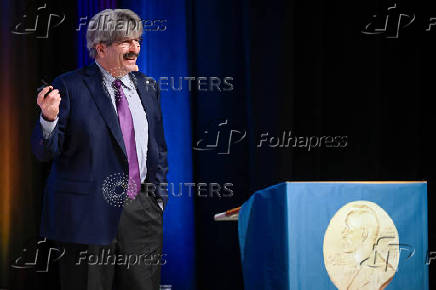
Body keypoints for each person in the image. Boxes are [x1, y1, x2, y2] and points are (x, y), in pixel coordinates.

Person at [31, 8, 168, 290]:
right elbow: (45, 152)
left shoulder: (148, 87)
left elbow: (158, 149)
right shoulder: (69, 86)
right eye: (126, 42)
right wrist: (48, 119)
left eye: (138, 41)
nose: (135, 49)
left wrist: (157, 197)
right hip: (86, 213)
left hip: (141, 212)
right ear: (101, 48)